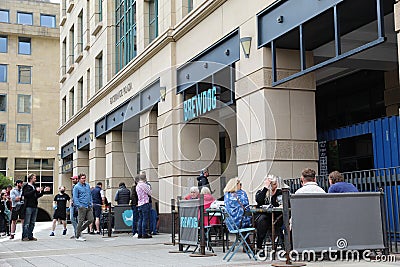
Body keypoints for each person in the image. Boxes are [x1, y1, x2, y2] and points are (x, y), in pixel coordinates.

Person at [255, 175, 283, 257]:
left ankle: (284, 246)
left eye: (275, 183)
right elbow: (259, 200)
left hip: (277, 217)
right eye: (273, 184)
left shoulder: (279, 192)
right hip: (264, 217)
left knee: (265, 221)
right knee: (262, 221)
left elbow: (284, 203)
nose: (275, 185)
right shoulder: (261, 192)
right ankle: (259, 247)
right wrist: (265, 188)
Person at [22, 173, 50, 241]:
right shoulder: (26, 186)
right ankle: (25, 236)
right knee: (27, 222)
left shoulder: (34, 186)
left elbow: (37, 196)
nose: (35, 179)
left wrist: (43, 191)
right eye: (34, 178)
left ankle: (30, 235)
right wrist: (35, 190)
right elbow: (26, 194)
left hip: (34, 206)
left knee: (32, 222)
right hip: (28, 206)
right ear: (30, 178)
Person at [73, 173, 94, 241]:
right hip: (82, 206)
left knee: (91, 219)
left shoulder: (87, 185)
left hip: (88, 205)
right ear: (79, 179)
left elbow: (90, 194)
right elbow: (75, 197)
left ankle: (79, 230)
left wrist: (91, 202)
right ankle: (77, 236)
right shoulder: (76, 187)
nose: (84, 179)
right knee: (81, 221)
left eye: (84, 178)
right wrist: (79, 205)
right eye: (82, 178)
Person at [136, 173, 152, 238]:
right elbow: (150, 193)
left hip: (139, 203)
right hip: (145, 203)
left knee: (140, 219)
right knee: (145, 219)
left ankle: (139, 233)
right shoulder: (144, 185)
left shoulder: (137, 185)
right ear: (145, 178)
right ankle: (144, 233)